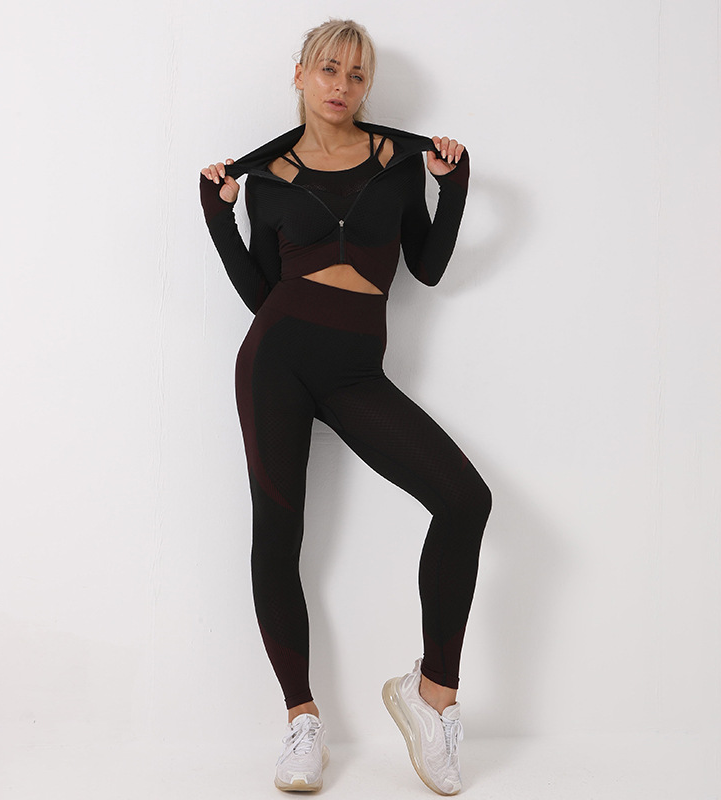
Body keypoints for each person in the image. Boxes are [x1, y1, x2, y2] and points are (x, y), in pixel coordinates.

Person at [199, 18, 491, 795]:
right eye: (328, 69)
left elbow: (427, 268)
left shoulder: (398, 165)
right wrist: (219, 219)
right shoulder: (266, 179)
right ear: (299, 74)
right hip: (276, 362)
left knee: (465, 500)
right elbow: (261, 293)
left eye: (357, 75)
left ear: (368, 87)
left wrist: (454, 190)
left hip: (356, 372)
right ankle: (301, 722)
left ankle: (432, 697)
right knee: (277, 535)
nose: (341, 85)